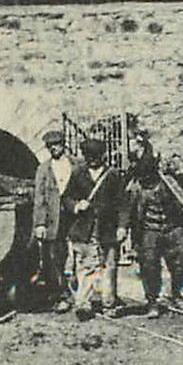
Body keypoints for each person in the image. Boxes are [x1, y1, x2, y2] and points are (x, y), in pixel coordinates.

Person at [123, 155, 183, 318]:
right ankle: (152, 300)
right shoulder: (135, 188)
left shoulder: (169, 182)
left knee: (181, 262)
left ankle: (177, 294)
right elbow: (128, 211)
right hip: (149, 230)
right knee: (149, 266)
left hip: (173, 228)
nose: (147, 179)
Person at [63, 137, 125, 319]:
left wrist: (122, 226)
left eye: (96, 156)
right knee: (85, 266)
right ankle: (83, 303)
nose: (93, 160)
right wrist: (76, 205)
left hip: (108, 228)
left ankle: (109, 304)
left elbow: (123, 203)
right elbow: (66, 198)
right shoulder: (78, 174)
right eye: (89, 157)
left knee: (109, 266)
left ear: (102, 156)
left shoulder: (113, 175)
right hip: (84, 228)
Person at [31, 129, 74, 311]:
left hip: (74, 215)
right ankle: (59, 294)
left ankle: (80, 292)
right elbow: (39, 197)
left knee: (79, 253)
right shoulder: (43, 169)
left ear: (63, 144)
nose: (54, 149)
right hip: (53, 219)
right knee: (55, 257)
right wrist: (39, 223)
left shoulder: (76, 165)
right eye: (50, 147)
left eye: (56, 145)